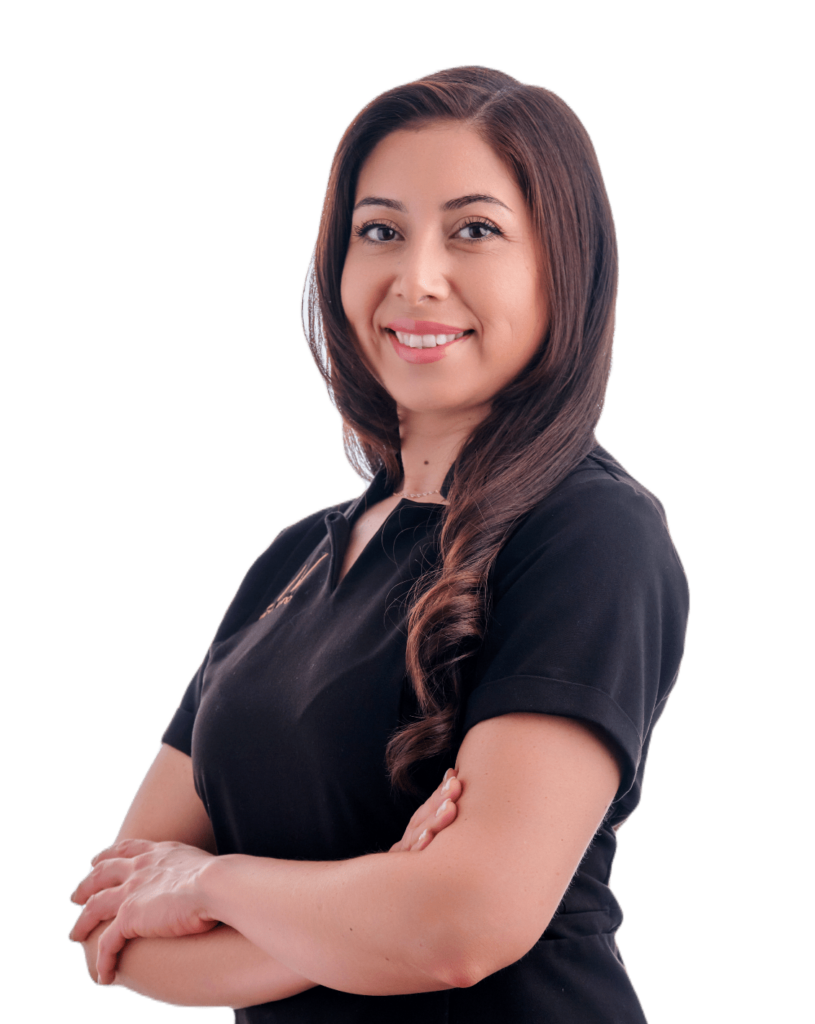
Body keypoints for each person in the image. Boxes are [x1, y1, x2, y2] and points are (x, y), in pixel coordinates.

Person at [68, 65, 690, 1022]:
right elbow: (119, 932)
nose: (418, 277)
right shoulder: (292, 561)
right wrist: (375, 904)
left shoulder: (590, 535)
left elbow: (462, 928)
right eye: (380, 230)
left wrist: (212, 886)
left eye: (474, 229)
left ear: (563, 265)